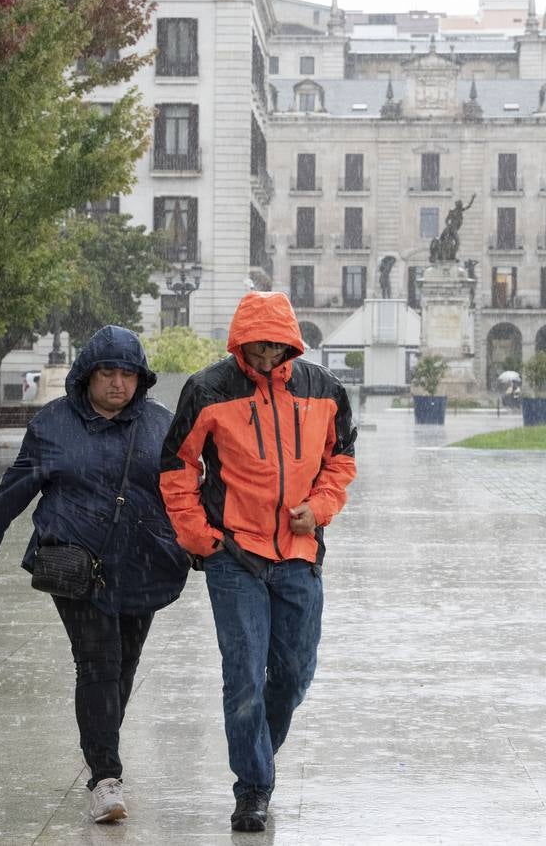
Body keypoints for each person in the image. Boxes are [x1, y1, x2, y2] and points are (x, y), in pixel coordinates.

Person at [0, 325, 190, 824]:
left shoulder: (161, 425)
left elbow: (186, 490)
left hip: (143, 562)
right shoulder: (53, 425)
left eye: (128, 373)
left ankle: (99, 740)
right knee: (98, 661)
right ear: (88, 374)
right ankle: (105, 777)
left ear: (140, 378)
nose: (117, 383)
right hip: (75, 564)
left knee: (124, 665)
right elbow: (15, 486)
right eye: (108, 372)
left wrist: (205, 543)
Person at [160, 291, 357, 833]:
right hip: (235, 557)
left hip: (299, 555)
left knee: (293, 674)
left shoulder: (324, 389)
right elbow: (177, 468)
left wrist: (317, 511)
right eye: (257, 345)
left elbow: (341, 461)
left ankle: (258, 754)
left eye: (276, 345)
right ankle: (253, 787)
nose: (267, 355)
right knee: (243, 675)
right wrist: (200, 537)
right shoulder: (207, 390)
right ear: (241, 341)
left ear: (290, 341)